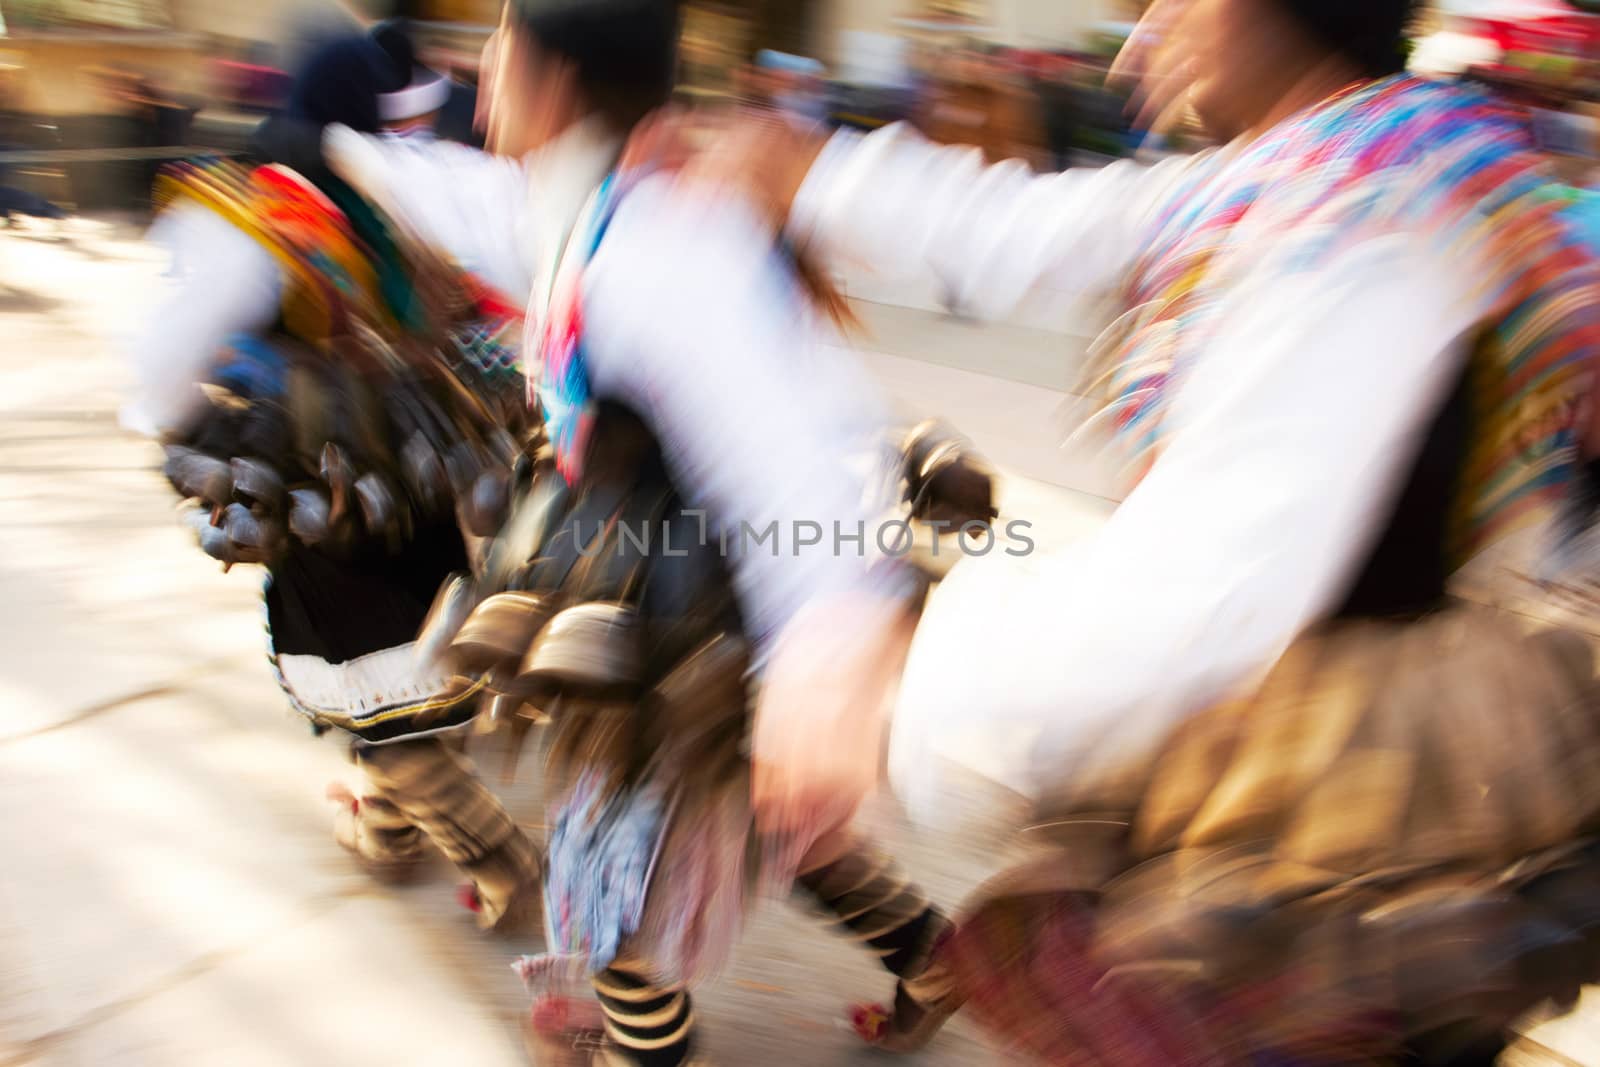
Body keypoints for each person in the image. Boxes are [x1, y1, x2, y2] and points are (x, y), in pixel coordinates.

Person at [666, 0, 1600, 1060]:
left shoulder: (1366, 207)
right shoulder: (1315, 167)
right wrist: (808, 173)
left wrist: (892, 686)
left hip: (1335, 843)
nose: (1155, 25)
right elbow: (1038, 226)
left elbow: (1219, 580)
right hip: (1282, 808)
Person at [325, 2, 961, 1062]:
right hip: (665, 588)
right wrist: (339, 145)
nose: (478, 69)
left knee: (619, 883)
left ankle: (645, 1045)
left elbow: (784, 443)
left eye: (499, 45)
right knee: (758, 820)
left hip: (692, 611)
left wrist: (827, 638)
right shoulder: (588, 199)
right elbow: (474, 206)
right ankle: (930, 952)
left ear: (555, 74)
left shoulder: (663, 235)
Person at [125, 22, 544, 934]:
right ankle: (392, 835)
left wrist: (183, 429)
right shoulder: (408, 187)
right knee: (418, 660)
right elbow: (502, 294)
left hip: (322, 491)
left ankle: (507, 860)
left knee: (369, 688)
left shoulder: (250, 207)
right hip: (426, 470)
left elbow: (161, 367)